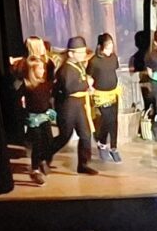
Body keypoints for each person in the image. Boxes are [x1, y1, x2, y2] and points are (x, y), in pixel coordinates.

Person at [51, 36, 98, 175]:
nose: (84, 55)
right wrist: (87, 83)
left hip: (80, 104)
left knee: (85, 134)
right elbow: (69, 88)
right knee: (65, 135)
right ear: (71, 54)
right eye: (80, 52)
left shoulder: (78, 65)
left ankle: (83, 164)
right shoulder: (66, 69)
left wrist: (88, 88)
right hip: (68, 106)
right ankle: (43, 155)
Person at [19, 54, 55, 185]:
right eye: (40, 69)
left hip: (45, 117)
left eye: (43, 68)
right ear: (32, 71)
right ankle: (35, 169)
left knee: (48, 141)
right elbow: (19, 101)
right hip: (34, 120)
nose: (43, 71)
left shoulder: (45, 84)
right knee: (38, 143)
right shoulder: (27, 86)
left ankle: (42, 160)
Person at [88, 32, 122, 163]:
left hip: (113, 93)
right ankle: (102, 144)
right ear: (100, 47)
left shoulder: (113, 58)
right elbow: (89, 76)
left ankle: (114, 147)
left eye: (111, 47)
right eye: (107, 48)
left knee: (114, 121)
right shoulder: (94, 61)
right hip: (101, 96)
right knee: (107, 120)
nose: (110, 50)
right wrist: (90, 88)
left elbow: (114, 71)